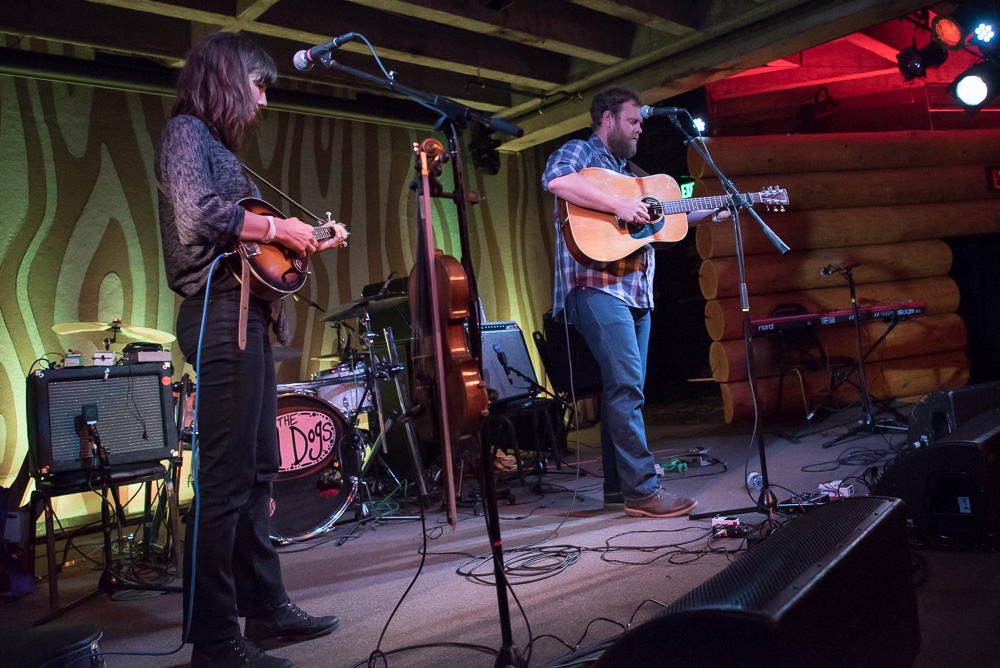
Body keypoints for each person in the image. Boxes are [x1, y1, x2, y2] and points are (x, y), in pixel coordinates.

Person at [155, 32, 348, 668]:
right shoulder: (186, 132)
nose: (263, 101)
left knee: (259, 471)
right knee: (226, 482)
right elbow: (197, 216)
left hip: (247, 323)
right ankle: (213, 641)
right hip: (216, 320)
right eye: (258, 85)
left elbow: (248, 244)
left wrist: (300, 240)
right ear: (228, 78)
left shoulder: (215, 146)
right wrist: (278, 228)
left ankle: (266, 610)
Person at [541, 85, 727, 519]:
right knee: (626, 386)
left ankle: (616, 489)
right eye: (632, 120)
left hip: (635, 292)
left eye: (640, 122)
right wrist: (619, 205)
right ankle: (643, 491)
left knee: (622, 389)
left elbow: (672, 213)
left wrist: (718, 207)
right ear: (607, 119)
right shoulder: (581, 153)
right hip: (594, 286)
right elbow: (556, 179)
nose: (640, 127)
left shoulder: (635, 174)